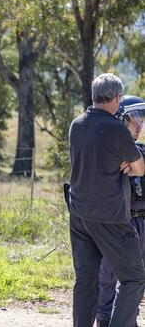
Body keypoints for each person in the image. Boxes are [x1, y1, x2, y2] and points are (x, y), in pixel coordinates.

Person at [67, 73, 145, 327]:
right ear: (117, 98)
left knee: (86, 281)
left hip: (79, 214)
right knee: (133, 278)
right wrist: (126, 162)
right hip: (109, 216)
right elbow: (140, 169)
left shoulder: (76, 124)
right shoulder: (116, 129)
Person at [95, 95, 145, 327]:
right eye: (135, 118)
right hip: (115, 221)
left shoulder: (141, 151)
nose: (139, 124)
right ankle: (105, 319)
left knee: (134, 280)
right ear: (121, 118)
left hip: (140, 222)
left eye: (142, 118)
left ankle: (127, 320)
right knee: (107, 275)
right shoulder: (109, 149)